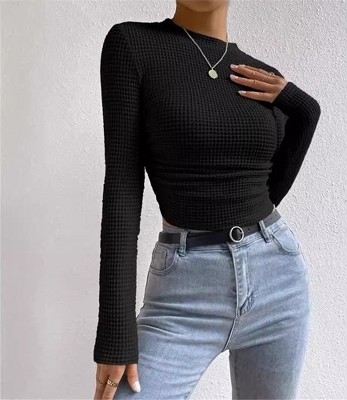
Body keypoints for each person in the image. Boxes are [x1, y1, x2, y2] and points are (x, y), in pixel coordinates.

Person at [93, 0, 321, 399]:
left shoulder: (260, 78)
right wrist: (116, 332)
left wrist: (304, 108)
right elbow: (122, 188)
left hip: (278, 283)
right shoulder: (132, 44)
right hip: (184, 291)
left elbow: (266, 194)